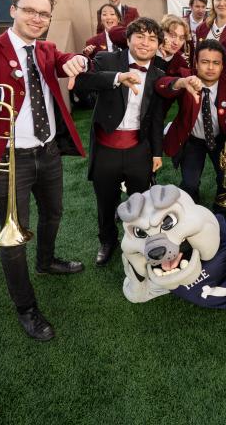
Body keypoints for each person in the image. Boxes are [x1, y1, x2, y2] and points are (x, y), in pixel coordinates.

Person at [0, 0, 88, 341]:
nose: (37, 18)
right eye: (29, 10)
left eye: (44, 14)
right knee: (13, 238)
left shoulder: (45, 49)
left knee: (55, 212)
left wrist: (76, 59)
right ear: (12, 10)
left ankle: (46, 261)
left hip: (46, 152)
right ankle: (26, 308)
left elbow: (61, 61)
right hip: (7, 159)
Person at [73, 18, 166, 266]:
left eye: (152, 39)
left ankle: (139, 240)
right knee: (106, 200)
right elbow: (81, 84)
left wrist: (157, 153)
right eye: (140, 36)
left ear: (158, 45)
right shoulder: (106, 60)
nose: (145, 43)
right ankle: (107, 241)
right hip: (106, 147)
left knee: (140, 199)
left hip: (139, 148)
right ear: (128, 39)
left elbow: (157, 119)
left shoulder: (159, 73)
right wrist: (115, 78)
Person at [156, 39, 226, 204]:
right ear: (196, 63)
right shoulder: (186, 77)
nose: (210, 67)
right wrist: (181, 83)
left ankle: (221, 206)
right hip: (192, 139)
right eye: (205, 62)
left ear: (222, 65)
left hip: (220, 138)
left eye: (216, 63)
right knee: (189, 183)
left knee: (225, 178)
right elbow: (161, 85)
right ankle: (191, 205)